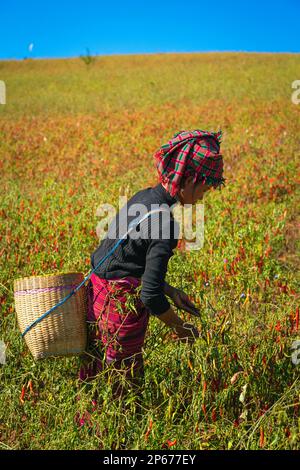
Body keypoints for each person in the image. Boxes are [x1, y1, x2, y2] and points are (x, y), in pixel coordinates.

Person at [78, 129, 226, 401]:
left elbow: (126, 259)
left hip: (97, 295)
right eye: (204, 189)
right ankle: (116, 432)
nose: (203, 197)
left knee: (99, 362)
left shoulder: (143, 197)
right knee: (123, 378)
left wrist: (171, 291)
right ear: (190, 179)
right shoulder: (167, 225)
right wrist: (180, 328)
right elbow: (149, 295)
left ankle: (90, 417)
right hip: (118, 305)